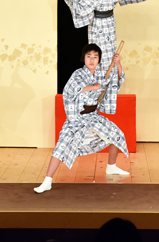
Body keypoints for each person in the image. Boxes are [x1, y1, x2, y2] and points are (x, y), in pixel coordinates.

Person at [34, 43, 129, 194]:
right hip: (77, 117)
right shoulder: (78, 74)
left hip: (93, 116)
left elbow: (116, 83)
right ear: (83, 58)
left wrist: (118, 64)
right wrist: (94, 87)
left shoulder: (101, 73)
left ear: (99, 59)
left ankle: (111, 167)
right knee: (60, 147)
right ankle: (47, 181)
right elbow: (72, 90)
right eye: (89, 57)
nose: (92, 60)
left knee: (116, 134)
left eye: (95, 57)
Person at [64, 0, 152, 73]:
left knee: (111, 52)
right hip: (96, 23)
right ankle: (96, 81)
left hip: (109, 22)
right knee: (95, 53)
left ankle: (110, 79)